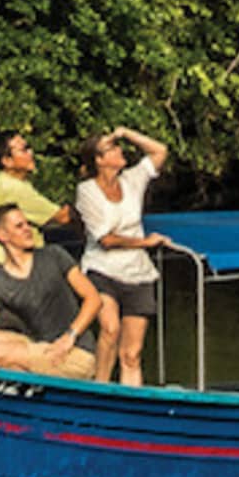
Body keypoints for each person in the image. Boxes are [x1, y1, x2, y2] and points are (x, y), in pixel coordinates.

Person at [75, 126, 170, 386]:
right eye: (112, 148)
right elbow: (105, 240)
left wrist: (126, 133)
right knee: (110, 329)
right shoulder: (87, 191)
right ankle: (101, 388)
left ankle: (133, 406)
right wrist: (144, 242)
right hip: (101, 269)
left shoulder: (132, 180)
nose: (119, 151)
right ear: (99, 160)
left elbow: (160, 150)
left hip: (137, 271)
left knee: (132, 353)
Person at [0, 204, 102, 379]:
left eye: (27, 224)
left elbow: (94, 299)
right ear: (2, 235)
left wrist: (70, 336)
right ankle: (20, 393)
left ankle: (19, 390)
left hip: (75, 352)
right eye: (19, 226)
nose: (28, 230)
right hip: (39, 346)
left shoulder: (54, 255)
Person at [0, 128, 74, 276]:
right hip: (2, 265)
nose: (31, 153)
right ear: (7, 161)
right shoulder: (14, 188)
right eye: (24, 150)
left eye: (29, 147)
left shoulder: (12, 182)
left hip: (1, 263)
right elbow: (63, 217)